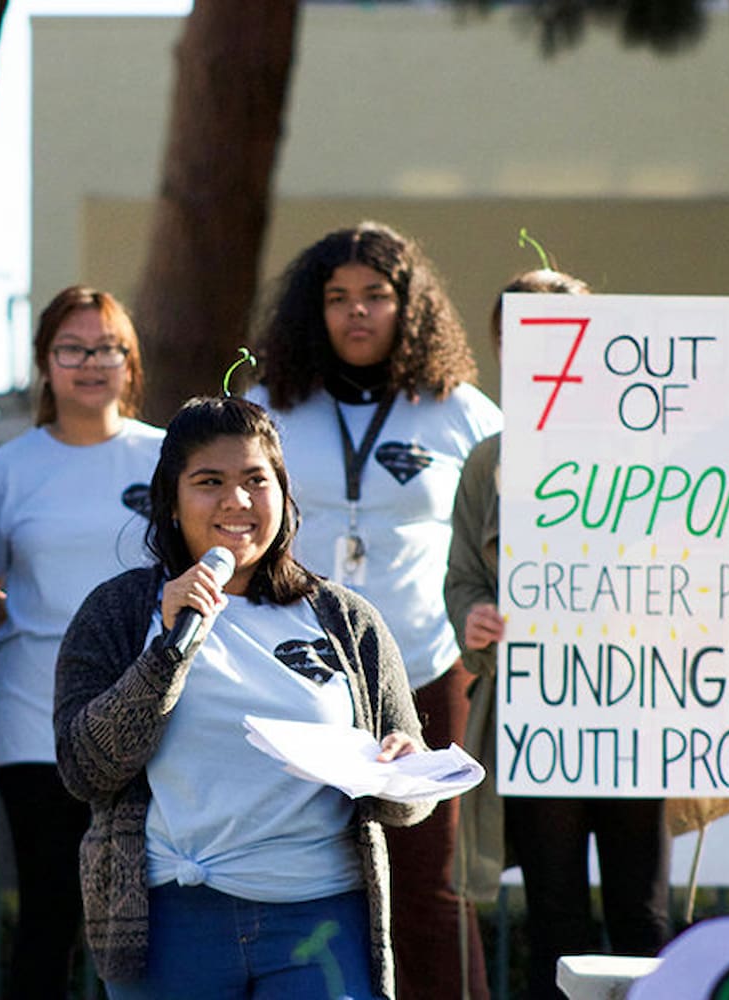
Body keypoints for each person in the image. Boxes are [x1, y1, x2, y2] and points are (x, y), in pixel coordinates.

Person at [444, 269, 729, 999]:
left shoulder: (659, 442)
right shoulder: (490, 461)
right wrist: (473, 618)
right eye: (525, 343)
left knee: (643, 915)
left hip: (638, 712)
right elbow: (463, 575)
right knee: (554, 917)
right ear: (504, 350)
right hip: (541, 714)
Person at [54, 396, 433, 1000]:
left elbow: (409, 807)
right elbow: (86, 769)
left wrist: (402, 766)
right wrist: (167, 651)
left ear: (283, 497)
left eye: (257, 481)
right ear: (172, 504)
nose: (237, 501)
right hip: (172, 924)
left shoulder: (346, 619)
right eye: (210, 482)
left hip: (320, 919)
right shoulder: (119, 613)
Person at [248, 221, 500, 1000]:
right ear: (311, 311)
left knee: (430, 890)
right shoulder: (267, 406)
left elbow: (560, 481)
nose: (356, 313)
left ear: (409, 306)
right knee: (304, 877)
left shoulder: (460, 410)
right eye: (336, 298)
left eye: (375, 296)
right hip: (297, 677)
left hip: (426, 674)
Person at [0, 286, 163, 998]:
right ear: (45, 364)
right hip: (33, 729)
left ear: (129, 362)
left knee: (148, 924)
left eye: (106, 348)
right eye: (71, 349)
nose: (89, 364)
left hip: (154, 724)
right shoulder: (6, 472)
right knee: (51, 917)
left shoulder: (170, 458)